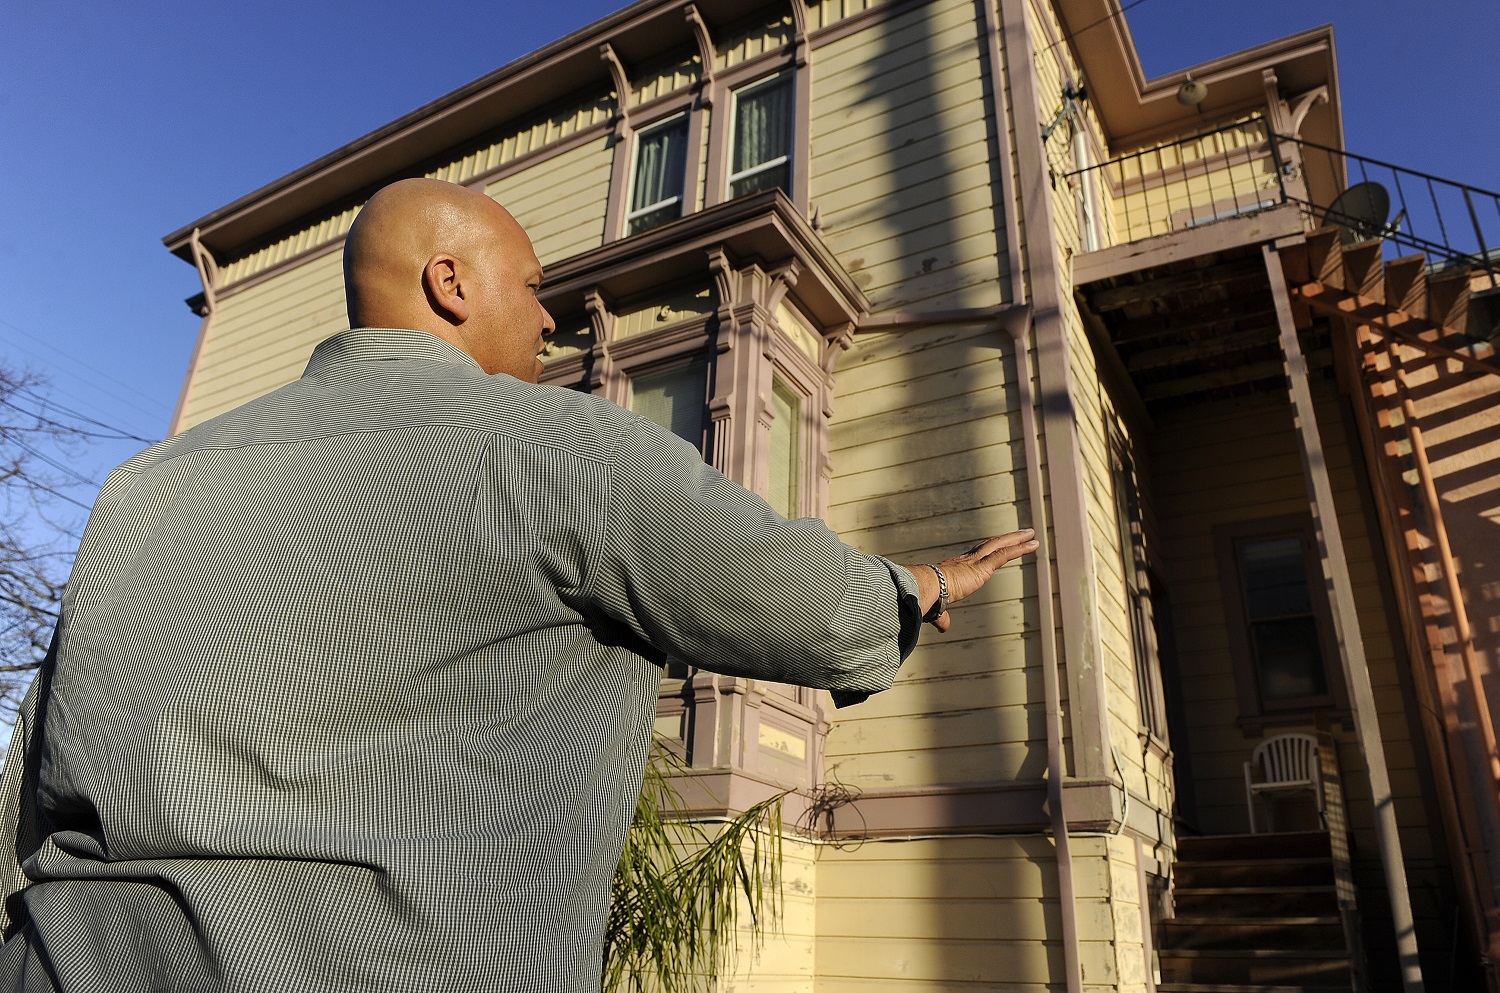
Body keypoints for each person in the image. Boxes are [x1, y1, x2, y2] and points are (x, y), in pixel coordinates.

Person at [0, 178, 1037, 992]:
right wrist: (928, 583)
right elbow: (799, 601)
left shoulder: (146, 483)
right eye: (534, 285)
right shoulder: (551, 445)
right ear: (451, 284)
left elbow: (31, 775)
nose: (550, 323)